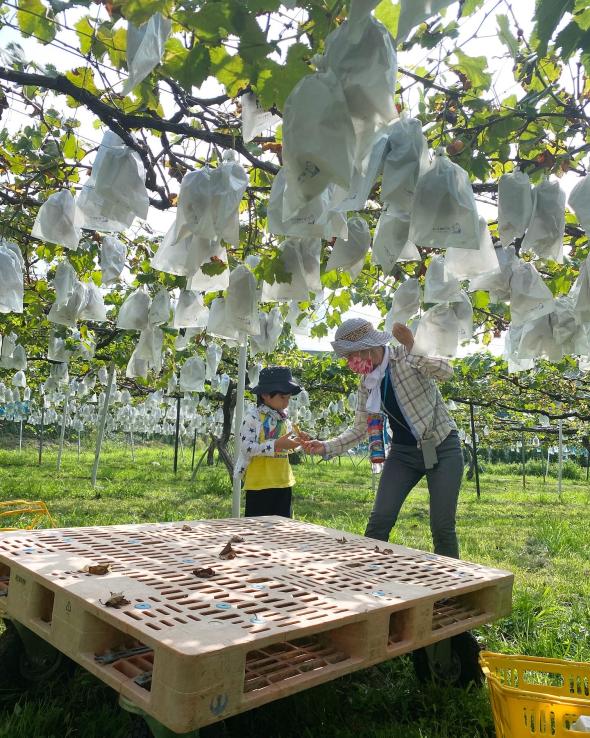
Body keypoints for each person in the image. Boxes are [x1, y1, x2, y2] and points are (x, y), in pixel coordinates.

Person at [303, 318, 463, 558]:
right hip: (403, 454)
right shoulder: (367, 383)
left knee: (442, 527)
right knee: (379, 520)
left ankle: (454, 590)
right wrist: (325, 447)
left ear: (368, 348)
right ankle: (368, 577)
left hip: (442, 447)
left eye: (350, 355)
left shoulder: (406, 356)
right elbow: (360, 428)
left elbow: (447, 372)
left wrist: (413, 344)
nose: (349, 363)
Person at [235, 366, 307, 518]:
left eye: (288, 398)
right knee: (257, 532)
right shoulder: (253, 418)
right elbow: (246, 448)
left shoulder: (282, 418)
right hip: (259, 485)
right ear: (266, 395)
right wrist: (276, 445)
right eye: (282, 398)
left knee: (281, 531)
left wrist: (297, 442)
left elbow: (284, 447)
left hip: (283, 482)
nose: (286, 403)